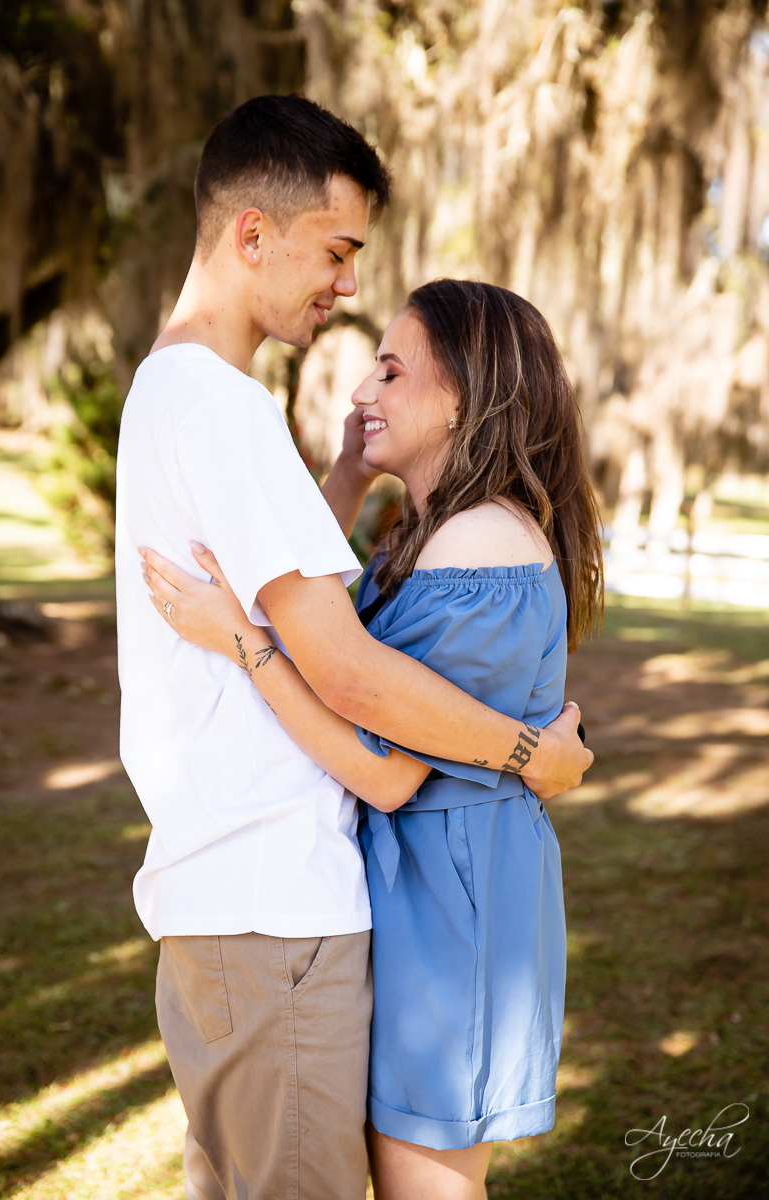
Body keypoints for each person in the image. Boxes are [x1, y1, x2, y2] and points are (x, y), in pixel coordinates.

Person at [117, 94, 593, 1200]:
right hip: (270, 903)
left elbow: (291, 590)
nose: (342, 282)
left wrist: (335, 480)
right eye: (335, 251)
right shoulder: (224, 409)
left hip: (243, 899)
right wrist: (533, 754)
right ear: (252, 234)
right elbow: (345, 673)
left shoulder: (176, 391)